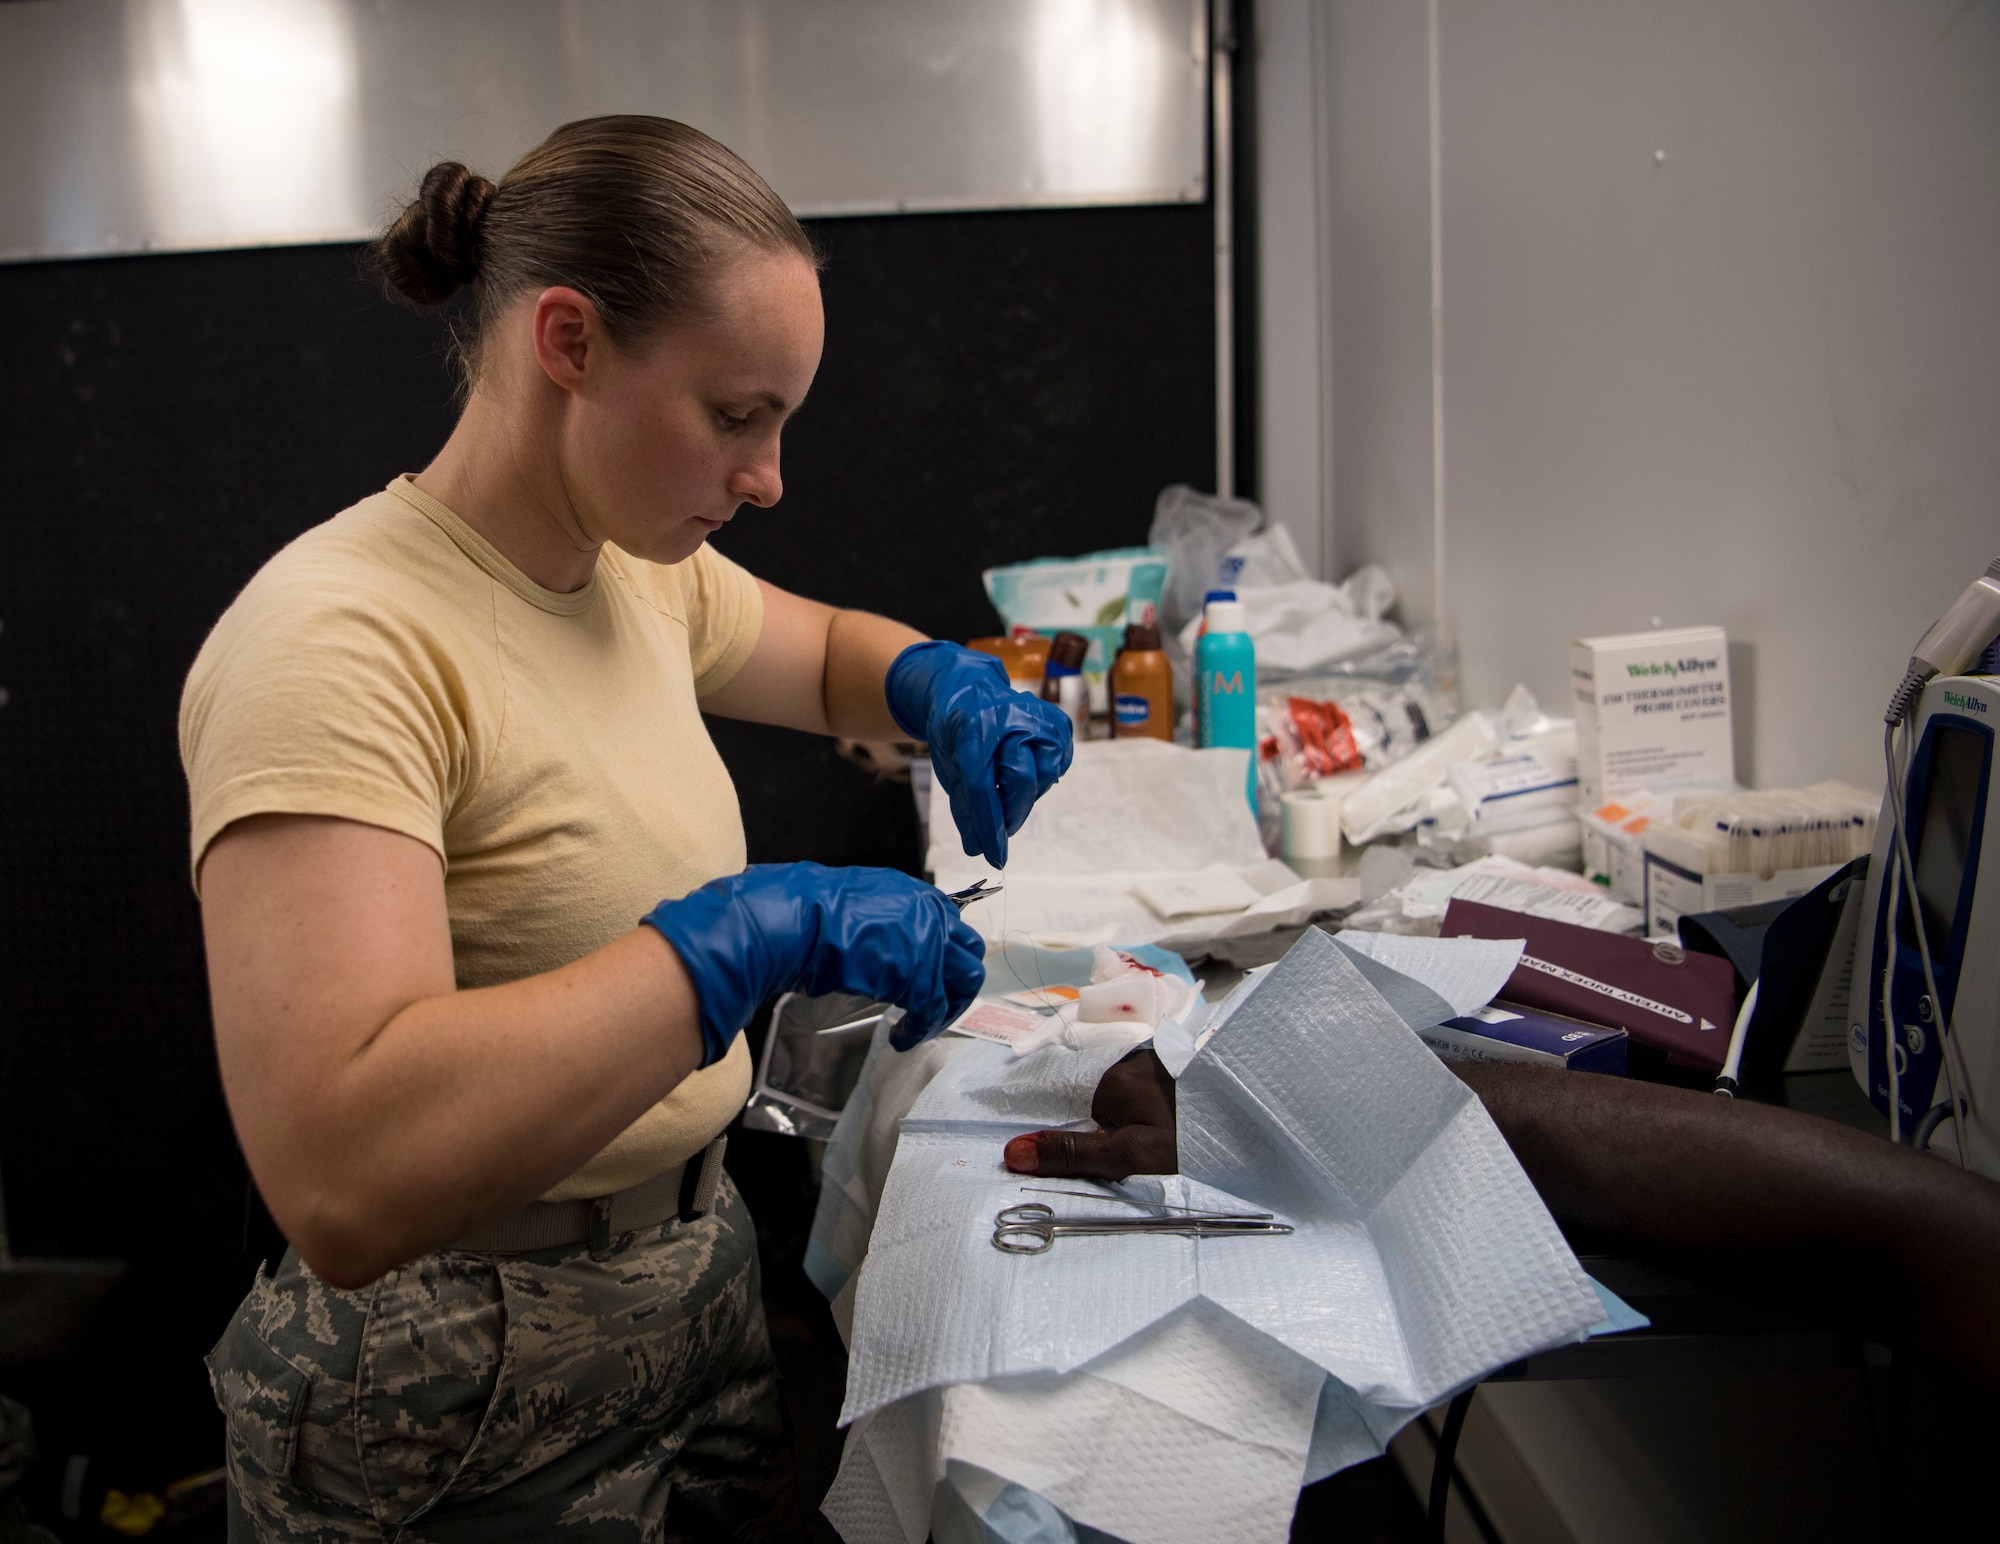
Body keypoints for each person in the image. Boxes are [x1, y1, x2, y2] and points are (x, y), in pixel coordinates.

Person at [183, 115, 1072, 1542]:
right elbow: (342, 1175)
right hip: (457, 1378)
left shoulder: (630, 571)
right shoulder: (337, 643)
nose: (770, 477)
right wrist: (748, 937)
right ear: (570, 343)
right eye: (736, 417)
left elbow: (834, 649)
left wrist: (941, 684)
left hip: (691, 1275)